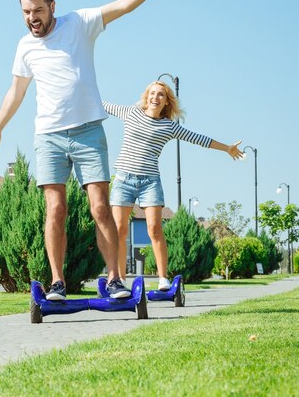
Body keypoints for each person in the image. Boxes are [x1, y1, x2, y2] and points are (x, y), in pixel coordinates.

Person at [0, 0, 188, 301]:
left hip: (88, 131)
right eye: (26, 12)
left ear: (52, 7)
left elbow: (123, 4)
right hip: (48, 136)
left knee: (100, 207)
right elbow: (16, 91)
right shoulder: (25, 47)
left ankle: (114, 279)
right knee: (55, 208)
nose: (32, 18)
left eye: (38, 10)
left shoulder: (79, 23)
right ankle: (58, 282)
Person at [104, 80, 243, 291]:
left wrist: (227, 148)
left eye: (160, 94)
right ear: (146, 96)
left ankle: (162, 279)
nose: (155, 97)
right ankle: (120, 280)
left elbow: (198, 139)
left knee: (154, 229)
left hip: (150, 182)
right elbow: (102, 104)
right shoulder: (130, 113)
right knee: (120, 230)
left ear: (167, 101)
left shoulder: (168, 126)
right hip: (124, 179)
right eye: (152, 93)